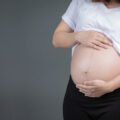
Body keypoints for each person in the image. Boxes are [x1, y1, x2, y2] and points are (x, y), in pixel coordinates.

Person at [52, 0, 120, 120]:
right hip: (77, 95)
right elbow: (57, 39)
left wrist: (109, 86)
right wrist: (78, 35)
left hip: (114, 97)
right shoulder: (81, 2)